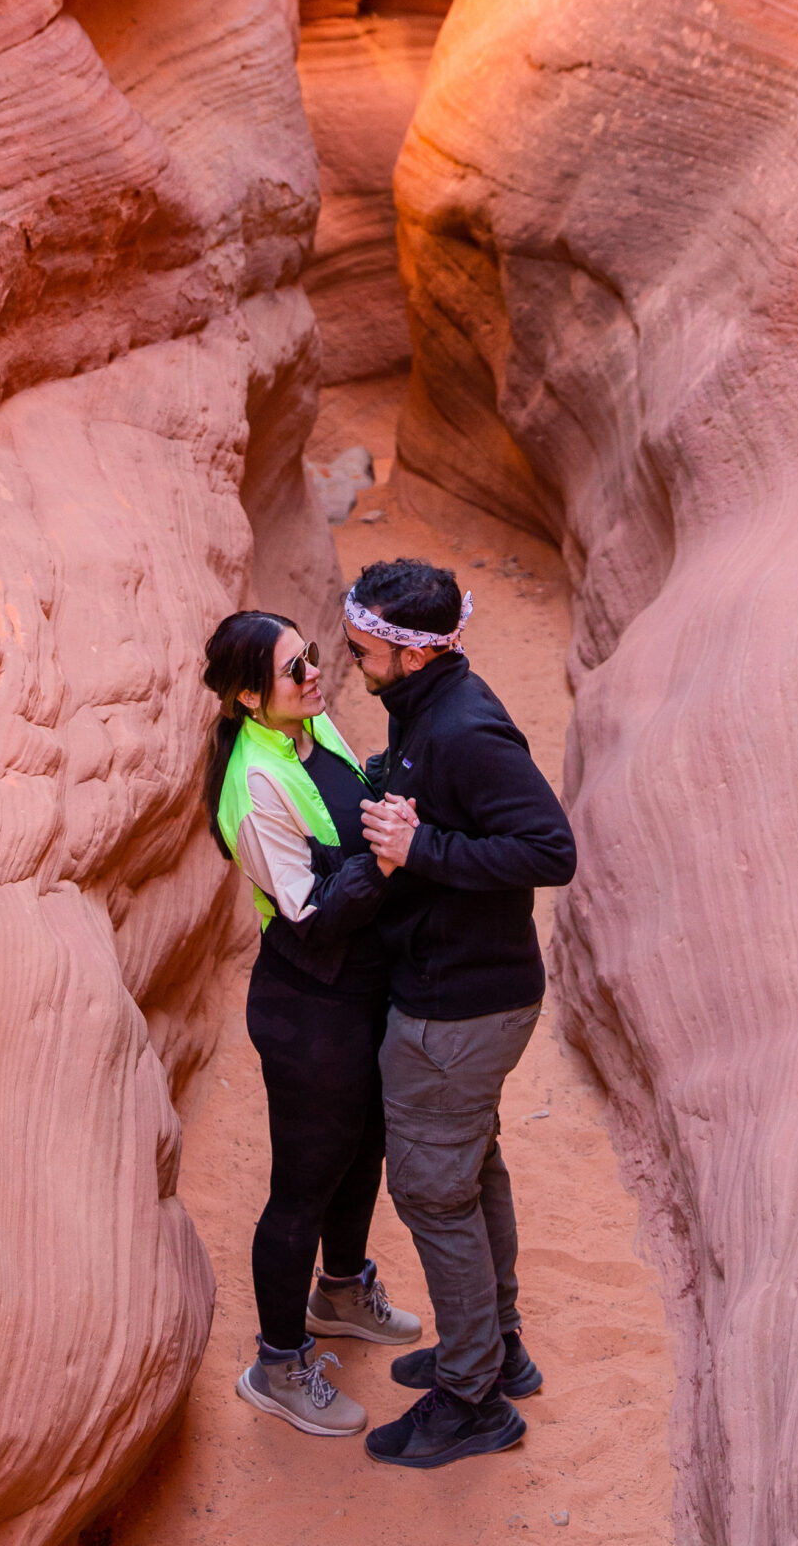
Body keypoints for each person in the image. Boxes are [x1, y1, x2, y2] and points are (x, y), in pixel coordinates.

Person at [345, 557, 578, 1472]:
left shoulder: (465, 729)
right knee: (470, 1170)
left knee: (432, 1192)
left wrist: (419, 846)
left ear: (407, 655)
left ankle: (473, 1399)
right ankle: (496, 1349)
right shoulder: (425, 709)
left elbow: (548, 849)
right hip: (468, 992)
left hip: (458, 1009)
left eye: (362, 646)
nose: (350, 656)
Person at [202, 608, 424, 1438]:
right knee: (301, 1184)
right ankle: (278, 1365)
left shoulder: (309, 728)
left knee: (360, 1145)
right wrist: (388, 856)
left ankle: (340, 1292)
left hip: (358, 990)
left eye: (314, 658)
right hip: (309, 1005)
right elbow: (308, 914)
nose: (313, 676)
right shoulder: (253, 788)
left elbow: (352, 801)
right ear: (253, 698)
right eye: (296, 670)